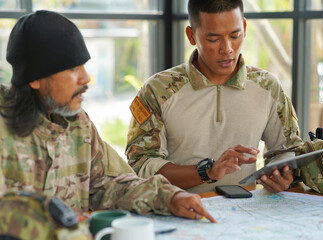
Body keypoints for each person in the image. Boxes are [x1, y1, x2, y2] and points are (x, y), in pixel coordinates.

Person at [0, 10, 215, 223]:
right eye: (74, 69)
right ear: (35, 79)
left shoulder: (78, 124)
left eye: (84, 65)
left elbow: (105, 183)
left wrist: (169, 197)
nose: (86, 78)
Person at [126, 0, 303, 193]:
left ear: (244, 27)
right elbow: (141, 165)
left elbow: (289, 149)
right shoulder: (157, 90)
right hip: (179, 212)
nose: (227, 49)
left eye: (235, 36)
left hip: (249, 214)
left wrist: (283, 175)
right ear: (191, 36)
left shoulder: (268, 86)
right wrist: (207, 172)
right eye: (213, 39)